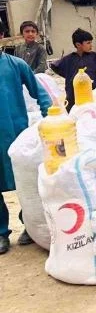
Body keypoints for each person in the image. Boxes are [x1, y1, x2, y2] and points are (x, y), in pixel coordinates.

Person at [0, 48, 50, 254]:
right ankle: (1, 233)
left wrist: (50, 119)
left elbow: (40, 93)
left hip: (15, 136)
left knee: (26, 184)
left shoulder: (16, 64)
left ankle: (29, 225)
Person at [50, 28, 96, 111]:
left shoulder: (95, 56)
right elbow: (54, 66)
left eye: (91, 42)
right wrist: (69, 77)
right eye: (88, 43)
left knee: (92, 112)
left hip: (92, 91)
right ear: (78, 45)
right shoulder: (68, 59)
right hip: (73, 94)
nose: (91, 45)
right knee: (74, 114)